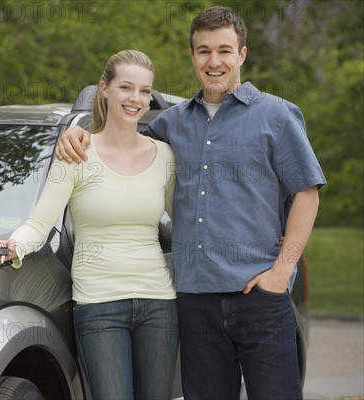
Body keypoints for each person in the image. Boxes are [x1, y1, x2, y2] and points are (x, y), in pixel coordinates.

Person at [55, 6, 326, 400]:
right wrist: (78, 134)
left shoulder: (277, 116)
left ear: (242, 54)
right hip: (195, 305)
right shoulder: (171, 123)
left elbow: (307, 193)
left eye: (224, 50)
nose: (213, 62)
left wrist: (281, 271)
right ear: (192, 56)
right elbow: (119, 136)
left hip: (261, 297)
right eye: (203, 51)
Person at [0, 49, 178, 400]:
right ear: (104, 89)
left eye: (144, 90)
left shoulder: (164, 156)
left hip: (158, 305)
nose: (135, 99)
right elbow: (39, 223)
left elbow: (185, 223)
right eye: (126, 87)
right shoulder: (75, 154)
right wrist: (12, 245)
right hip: (98, 307)